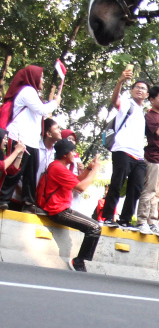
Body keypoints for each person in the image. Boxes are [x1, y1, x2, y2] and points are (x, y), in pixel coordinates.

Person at [0, 65, 60, 213]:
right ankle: (3, 199)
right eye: (42, 77)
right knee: (15, 171)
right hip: (19, 138)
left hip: (31, 140)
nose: (44, 80)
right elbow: (42, 110)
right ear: (34, 77)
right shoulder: (27, 90)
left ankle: (28, 202)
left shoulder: (34, 94)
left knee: (30, 175)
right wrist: (55, 102)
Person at [36, 138, 102, 272]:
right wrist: (95, 170)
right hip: (58, 210)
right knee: (94, 228)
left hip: (60, 208)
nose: (74, 154)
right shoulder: (57, 168)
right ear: (64, 154)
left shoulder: (58, 166)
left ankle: (80, 260)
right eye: (72, 151)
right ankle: (78, 261)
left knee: (94, 227)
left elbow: (76, 181)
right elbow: (81, 187)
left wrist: (89, 168)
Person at [100, 69, 149, 229]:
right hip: (122, 150)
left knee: (136, 188)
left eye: (143, 89)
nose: (140, 90)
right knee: (117, 184)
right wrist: (120, 81)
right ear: (132, 90)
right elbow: (115, 101)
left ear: (147, 95)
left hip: (138, 156)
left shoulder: (142, 112)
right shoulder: (127, 103)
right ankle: (108, 217)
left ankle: (125, 219)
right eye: (137, 87)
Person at [138, 84, 159, 235]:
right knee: (149, 190)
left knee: (158, 194)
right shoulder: (150, 116)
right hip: (153, 158)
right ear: (151, 100)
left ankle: (152, 221)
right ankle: (141, 220)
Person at [0, 127, 27, 195]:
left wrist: (20, 154)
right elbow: (2, 166)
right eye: (5, 138)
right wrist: (16, 150)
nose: (6, 141)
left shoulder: (2, 154)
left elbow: (12, 170)